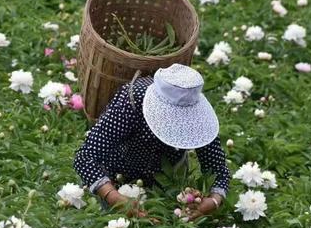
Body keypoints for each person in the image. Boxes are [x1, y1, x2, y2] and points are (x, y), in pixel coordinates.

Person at [73, 64, 230, 219]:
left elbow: (217, 168)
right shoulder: (132, 101)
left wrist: (214, 201)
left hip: (167, 183)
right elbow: (86, 157)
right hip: (116, 177)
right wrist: (113, 196)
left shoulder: (198, 114)